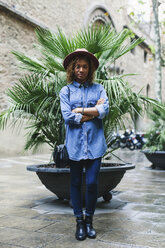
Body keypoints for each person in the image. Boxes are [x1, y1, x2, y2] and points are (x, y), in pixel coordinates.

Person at [59, 48, 109, 241]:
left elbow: (104, 110)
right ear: (72, 68)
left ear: (90, 69)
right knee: (75, 183)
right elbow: (68, 116)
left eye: (85, 66)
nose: (81, 70)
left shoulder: (99, 89)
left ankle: (89, 222)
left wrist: (79, 109)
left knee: (92, 183)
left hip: (96, 145)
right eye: (78, 66)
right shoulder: (66, 91)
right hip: (74, 146)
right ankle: (79, 222)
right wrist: (92, 112)